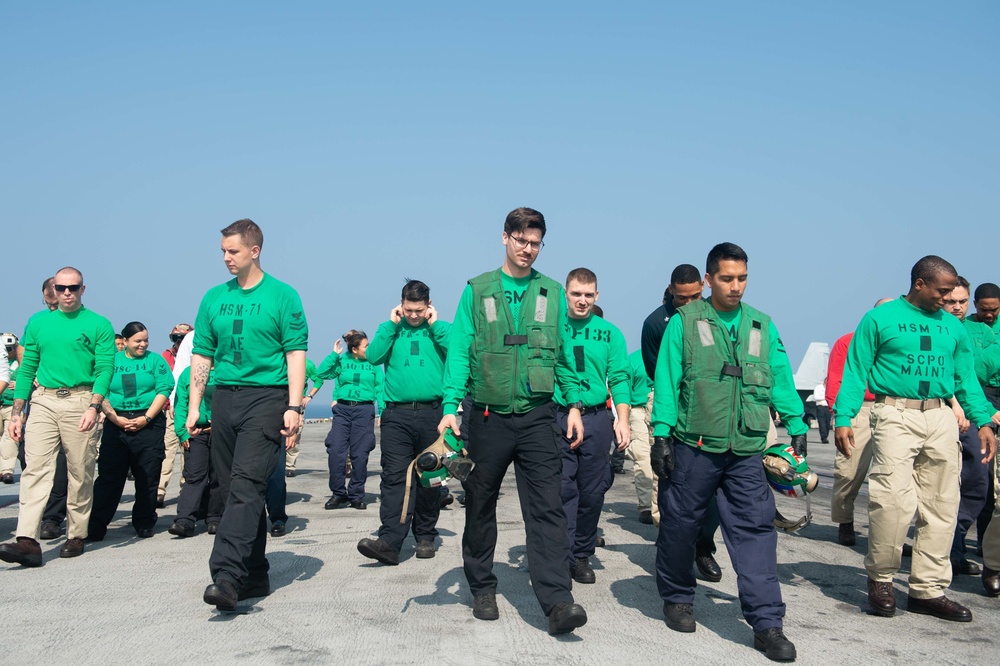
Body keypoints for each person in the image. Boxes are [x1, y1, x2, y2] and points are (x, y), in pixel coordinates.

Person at [438, 206, 588, 636]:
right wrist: (450, 407)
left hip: (539, 416)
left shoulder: (552, 292)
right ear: (505, 238)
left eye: (535, 242)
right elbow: (461, 350)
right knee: (481, 504)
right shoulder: (478, 289)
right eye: (521, 240)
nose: (528, 249)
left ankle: (558, 601)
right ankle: (482, 587)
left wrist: (574, 405)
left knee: (547, 510)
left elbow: (561, 354)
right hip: (486, 417)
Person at [650, 243, 804, 662]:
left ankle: (768, 623)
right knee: (681, 526)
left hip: (746, 451)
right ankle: (679, 597)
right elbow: (667, 379)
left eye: (742, 279)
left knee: (756, 532)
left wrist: (797, 422)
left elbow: (780, 376)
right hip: (694, 446)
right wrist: (661, 435)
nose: (735, 287)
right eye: (727, 278)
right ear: (708, 280)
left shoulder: (761, 325)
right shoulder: (684, 322)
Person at [833, 256, 999, 623]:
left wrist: (983, 420)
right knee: (892, 501)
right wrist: (843, 417)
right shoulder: (880, 319)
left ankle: (928, 589)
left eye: (953, 292)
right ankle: (882, 579)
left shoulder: (954, 329)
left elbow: (965, 378)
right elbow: (856, 368)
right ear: (920, 284)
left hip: (940, 416)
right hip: (894, 413)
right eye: (942, 291)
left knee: (942, 504)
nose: (949, 298)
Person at [186, 219, 307, 611]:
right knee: (238, 487)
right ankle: (254, 575)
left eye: (233, 251)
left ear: (254, 251)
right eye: (223, 251)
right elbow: (202, 354)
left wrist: (294, 406)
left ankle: (226, 574)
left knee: (245, 484)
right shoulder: (213, 298)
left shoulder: (283, 296)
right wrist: (193, 406)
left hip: (267, 399)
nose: (226, 258)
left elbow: (295, 354)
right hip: (224, 400)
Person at [0, 267, 115, 566]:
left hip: (81, 399)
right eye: (61, 287)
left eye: (73, 288)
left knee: (80, 470)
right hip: (44, 401)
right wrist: (17, 413)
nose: (67, 292)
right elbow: (27, 369)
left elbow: (104, 369)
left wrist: (94, 406)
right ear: (54, 288)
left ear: (82, 289)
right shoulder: (39, 324)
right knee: (35, 468)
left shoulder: (99, 324)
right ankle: (27, 540)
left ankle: (76, 533)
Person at [356, 280, 450, 564]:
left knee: (430, 477)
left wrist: (436, 326)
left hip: (433, 414)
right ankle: (390, 541)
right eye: (408, 309)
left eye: (419, 310)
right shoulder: (392, 330)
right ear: (401, 305)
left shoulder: (439, 329)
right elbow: (372, 357)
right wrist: (389, 325)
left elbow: (461, 351)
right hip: (396, 414)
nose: (413, 315)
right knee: (394, 477)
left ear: (429, 306)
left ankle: (425, 536)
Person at [640, 263, 723, 583]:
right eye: (682, 298)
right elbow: (654, 371)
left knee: (713, 491)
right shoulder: (655, 323)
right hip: (670, 410)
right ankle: (672, 546)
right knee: (671, 482)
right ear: (671, 291)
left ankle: (703, 546)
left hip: (708, 413)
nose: (689, 304)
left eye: (695, 297)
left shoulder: (711, 317)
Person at [557, 268, 630, 584]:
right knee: (561, 488)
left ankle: (581, 554)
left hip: (598, 417)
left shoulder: (610, 333)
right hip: (558, 415)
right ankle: (561, 554)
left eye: (588, 295)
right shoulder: (554, 328)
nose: (582, 301)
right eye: (576, 294)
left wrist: (623, 419)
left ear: (596, 296)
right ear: (566, 293)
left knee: (592, 491)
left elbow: (619, 378)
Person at [88, 322, 174, 540]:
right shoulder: (111, 362)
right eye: (137, 341)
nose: (143, 345)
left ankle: (144, 521)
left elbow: (164, 389)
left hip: (149, 421)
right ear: (124, 342)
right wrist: (115, 418)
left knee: (147, 475)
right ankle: (96, 524)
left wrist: (146, 418)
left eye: (146, 340)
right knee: (109, 477)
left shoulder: (155, 360)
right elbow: (100, 390)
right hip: (116, 421)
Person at [826, 298, 894, 546]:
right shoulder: (847, 341)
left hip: (892, 405)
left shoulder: (899, 341)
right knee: (849, 470)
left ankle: (887, 531)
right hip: (859, 409)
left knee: (892, 475)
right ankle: (845, 521)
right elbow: (836, 378)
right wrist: (840, 415)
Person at [942, 278, 994, 575]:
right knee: (959, 483)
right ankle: (949, 549)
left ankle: (958, 547)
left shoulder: (960, 328)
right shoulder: (941, 328)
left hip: (974, 408)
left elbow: (967, 379)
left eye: (962, 301)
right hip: (949, 410)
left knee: (979, 483)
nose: (958, 307)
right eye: (952, 301)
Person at [317, 330, 383, 510]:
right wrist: (333, 355)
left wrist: (383, 411)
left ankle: (356, 495)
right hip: (343, 410)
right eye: (366, 346)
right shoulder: (342, 360)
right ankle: (338, 494)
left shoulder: (374, 362)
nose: (369, 349)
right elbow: (321, 373)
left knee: (360, 455)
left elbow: (380, 388)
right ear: (354, 349)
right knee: (336, 451)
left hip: (364, 410)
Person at [168, 364, 222, 537]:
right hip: (196, 432)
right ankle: (185, 520)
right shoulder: (188, 373)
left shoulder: (227, 368)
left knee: (219, 476)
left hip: (221, 432)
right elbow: (181, 402)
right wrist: (182, 432)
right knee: (194, 475)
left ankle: (215, 518)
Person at [157, 323, 193, 508]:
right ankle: (160, 490)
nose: (179, 341)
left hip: (190, 409)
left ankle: (185, 489)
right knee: (167, 449)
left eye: (182, 337)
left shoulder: (195, 355)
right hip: (172, 408)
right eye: (176, 338)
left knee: (188, 450)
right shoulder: (165, 357)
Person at [626, 348, 654, 523]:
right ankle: (646, 507)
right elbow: (624, 389)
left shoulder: (669, 353)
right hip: (638, 410)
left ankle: (662, 504)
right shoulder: (633, 359)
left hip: (662, 408)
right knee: (642, 456)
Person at [285, 358, 324, 477]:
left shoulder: (306, 364)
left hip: (297, 402)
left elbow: (319, 379)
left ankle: (290, 466)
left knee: (295, 433)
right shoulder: (278, 358)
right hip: (277, 400)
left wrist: (309, 396)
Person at [1, 333, 19, 483]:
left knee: (9, 437)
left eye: (10, 348)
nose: (8, 351)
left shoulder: (21, 361)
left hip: (11, 404)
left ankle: (7, 470)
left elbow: (31, 378)